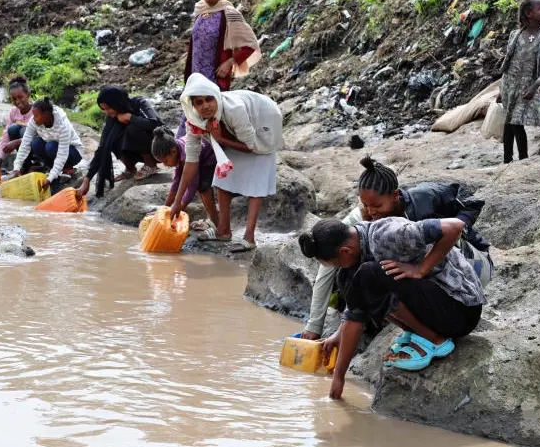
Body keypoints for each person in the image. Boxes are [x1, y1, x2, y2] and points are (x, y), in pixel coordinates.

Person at [299, 157, 491, 341]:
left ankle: (434, 332)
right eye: (365, 205)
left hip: (468, 265)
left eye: (376, 205)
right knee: (364, 275)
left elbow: (468, 208)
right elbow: (329, 260)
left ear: (395, 196)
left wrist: (423, 267)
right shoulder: (362, 217)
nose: (371, 211)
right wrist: (315, 326)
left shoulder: (424, 199)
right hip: (427, 283)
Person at [299, 216, 486, 400]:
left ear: (345, 251)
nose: (337, 268)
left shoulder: (387, 235)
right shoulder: (358, 245)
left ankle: (435, 340)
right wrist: (338, 337)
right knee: (353, 278)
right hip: (437, 307)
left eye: (335, 264)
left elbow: (455, 226)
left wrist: (421, 269)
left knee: (369, 274)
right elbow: (356, 311)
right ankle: (420, 334)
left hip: (461, 309)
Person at [170, 74, 283, 253]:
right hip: (232, 134)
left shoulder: (234, 109)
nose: (205, 106)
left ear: (217, 96)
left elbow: (252, 146)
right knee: (223, 178)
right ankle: (223, 230)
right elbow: (191, 162)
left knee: (257, 180)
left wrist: (221, 139)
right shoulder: (195, 121)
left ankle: (249, 237)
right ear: (193, 106)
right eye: (199, 102)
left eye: (209, 99)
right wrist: (177, 202)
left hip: (262, 119)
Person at [176, 0, 262, 137]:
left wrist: (230, 62)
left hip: (214, 75)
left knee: (213, 110)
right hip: (196, 73)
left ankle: (218, 148)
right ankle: (187, 149)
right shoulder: (200, 11)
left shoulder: (229, 13)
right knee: (193, 110)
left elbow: (249, 45)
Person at [496, 0, 540, 163]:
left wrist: (535, 86)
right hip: (509, 83)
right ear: (529, 13)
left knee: (517, 121)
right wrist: (501, 89)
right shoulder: (515, 34)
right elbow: (508, 62)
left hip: (527, 85)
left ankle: (523, 159)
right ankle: (507, 159)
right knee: (510, 121)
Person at [76, 86, 162, 199]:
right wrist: (87, 180)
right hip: (136, 148)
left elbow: (157, 124)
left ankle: (150, 165)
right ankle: (130, 169)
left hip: (158, 147)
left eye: (108, 108)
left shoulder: (139, 103)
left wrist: (131, 118)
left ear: (117, 103)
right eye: (104, 109)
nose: (107, 112)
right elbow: (102, 147)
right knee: (110, 140)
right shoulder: (112, 118)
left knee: (132, 128)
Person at [150, 126, 219, 231]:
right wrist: (165, 208)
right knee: (198, 186)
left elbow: (193, 185)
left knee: (203, 187)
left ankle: (215, 221)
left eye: (165, 161)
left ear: (173, 151)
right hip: (200, 156)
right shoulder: (178, 151)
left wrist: (180, 206)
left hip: (210, 156)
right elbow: (177, 181)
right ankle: (214, 220)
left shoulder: (186, 154)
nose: (165, 165)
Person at [11, 97, 86, 190]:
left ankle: (67, 169)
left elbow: (62, 154)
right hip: (52, 149)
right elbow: (25, 143)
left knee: (51, 146)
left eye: (36, 116)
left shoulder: (63, 125)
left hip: (73, 153)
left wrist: (50, 178)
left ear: (46, 114)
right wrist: (16, 167)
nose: (33, 119)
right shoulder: (34, 122)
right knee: (35, 143)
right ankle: (52, 168)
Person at [0, 76, 34, 173]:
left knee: (25, 130)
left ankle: (37, 162)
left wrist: (17, 142)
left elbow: (40, 135)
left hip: (37, 145)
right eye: (14, 99)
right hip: (24, 149)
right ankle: (25, 164)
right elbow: (5, 136)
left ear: (28, 94)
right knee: (12, 129)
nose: (18, 101)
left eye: (20, 97)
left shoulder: (36, 110)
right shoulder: (13, 112)